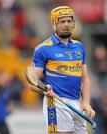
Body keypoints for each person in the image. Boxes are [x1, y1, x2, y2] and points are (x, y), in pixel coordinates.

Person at [29, 6, 95, 134]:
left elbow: (85, 78)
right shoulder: (43, 48)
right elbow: (31, 82)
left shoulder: (79, 47)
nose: (66, 25)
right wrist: (45, 89)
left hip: (77, 103)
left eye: (69, 21)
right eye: (62, 21)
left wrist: (86, 102)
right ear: (54, 24)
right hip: (56, 102)